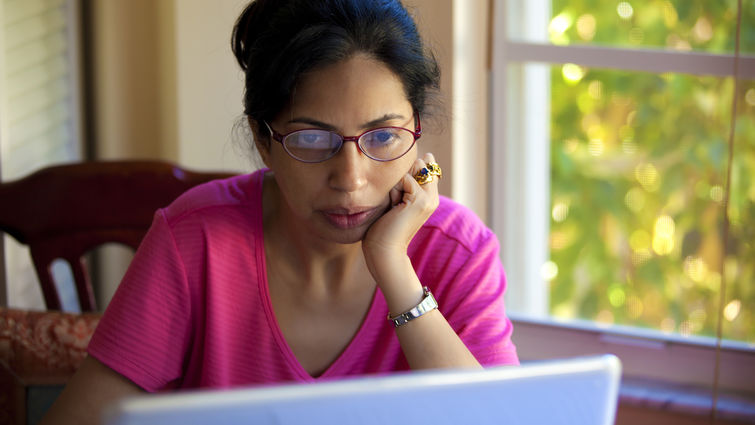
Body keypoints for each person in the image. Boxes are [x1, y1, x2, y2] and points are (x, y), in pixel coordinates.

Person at [41, 0, 518, 423]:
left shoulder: (459, 250)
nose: (350, 179)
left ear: (416, 128)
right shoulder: (195, 240)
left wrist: (393, 265)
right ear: (262, 141)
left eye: (383, 136)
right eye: (311, 139)